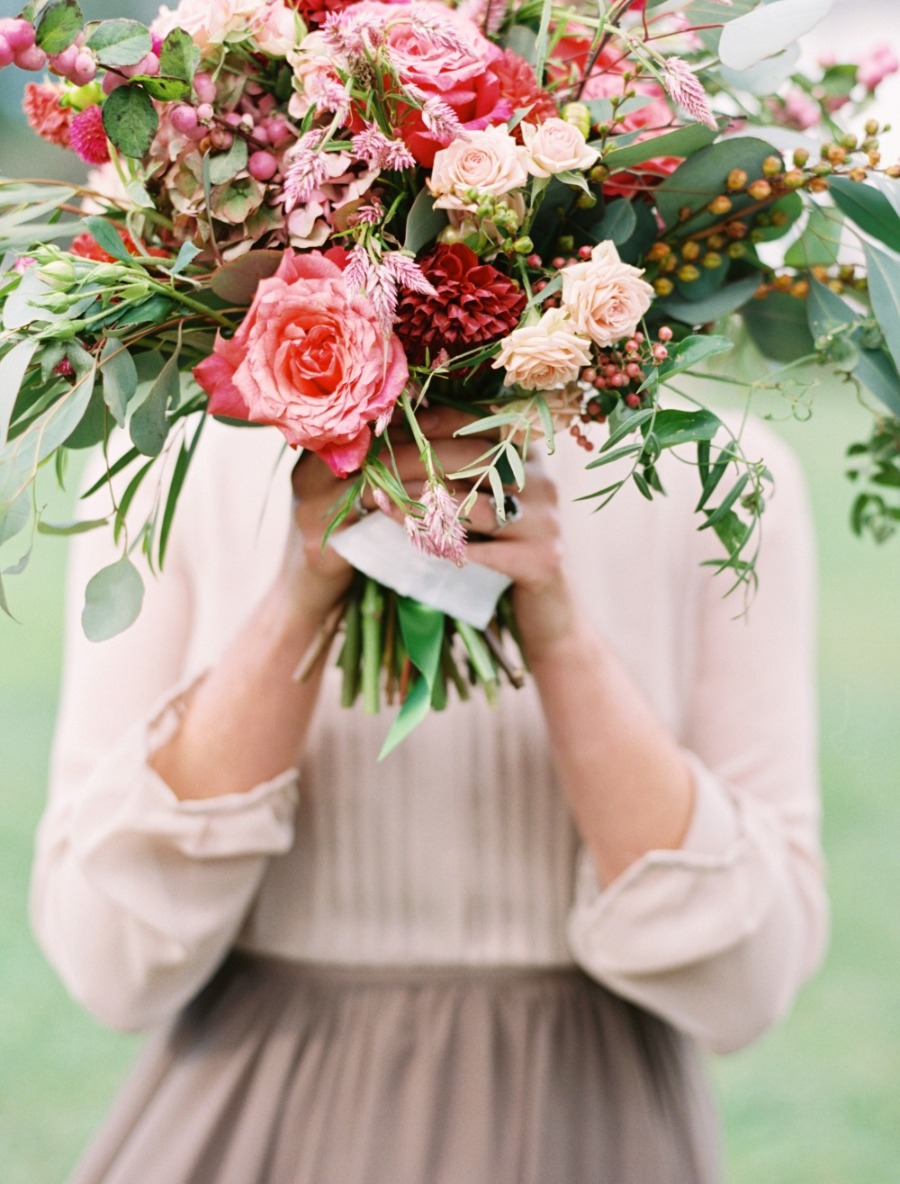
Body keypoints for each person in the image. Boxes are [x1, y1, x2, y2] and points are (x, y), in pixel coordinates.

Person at [31, 405, 826, 1183]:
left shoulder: (719, 474)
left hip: (583, 1124)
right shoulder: (173, 458)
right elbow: (108, 958)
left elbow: (748, 986)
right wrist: (302, 594)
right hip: (260, 1119)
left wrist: (557, 631)